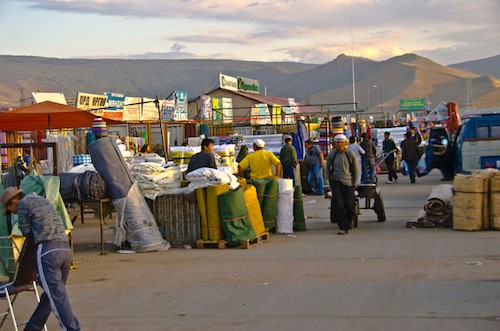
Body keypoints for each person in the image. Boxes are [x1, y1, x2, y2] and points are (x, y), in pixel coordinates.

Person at [0, 187, 81, 331]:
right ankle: (33, 327)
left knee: (56, 297)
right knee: (53, 294)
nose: (13, 213)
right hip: (65, 248)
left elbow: (25, 231)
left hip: (48, 251)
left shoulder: (23, 204)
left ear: (14, 201)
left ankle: (71, 328)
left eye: (11, 209)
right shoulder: (42, 200)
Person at [326, 134, 358, 235]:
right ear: (335, 144)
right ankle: (343, 227)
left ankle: (349, 221)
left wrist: (355, 182)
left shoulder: (350, 154)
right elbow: (327, 168)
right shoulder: (332, 154)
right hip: (336, 182)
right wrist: (329, 180)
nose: (339, 144)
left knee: (349, 205)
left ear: (345, 143)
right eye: (337, 142)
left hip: (348, 182)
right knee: (339, 205)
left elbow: (355, 168)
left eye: (341, 142)